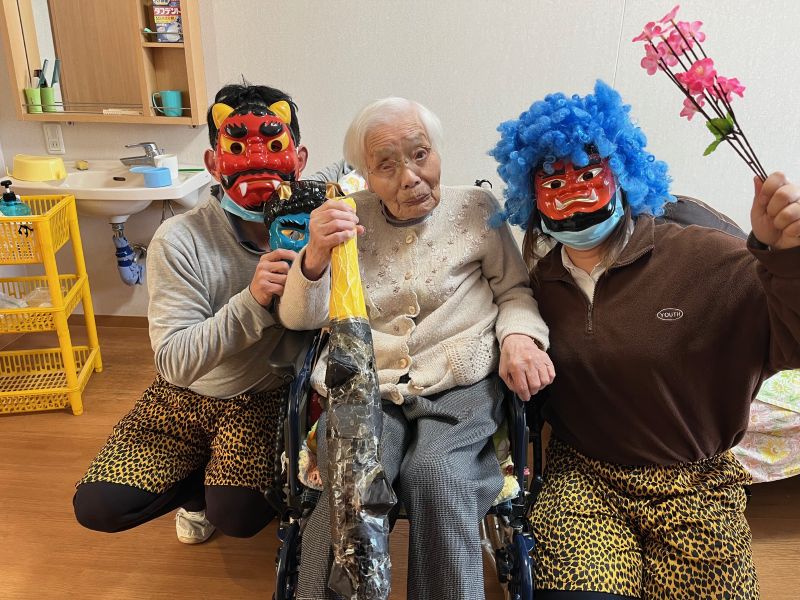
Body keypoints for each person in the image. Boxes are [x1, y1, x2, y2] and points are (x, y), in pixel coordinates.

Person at [490, 79, 800, 600]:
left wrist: (785, 258)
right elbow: (502, 307)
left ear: (625, 171)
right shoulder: (539, 281)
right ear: (531, 196)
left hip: (695, 486)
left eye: (590, 173)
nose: (574, 191)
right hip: (584, 481)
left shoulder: (706, 259)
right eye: (554, 181)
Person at [277, 97, 555, 600]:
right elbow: (300, 318)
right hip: (366, 386)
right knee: (355, 478)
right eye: (386, 165)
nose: (410, 177)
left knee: (437, 473)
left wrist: (519, 337)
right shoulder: (345, 218)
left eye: (420, 154)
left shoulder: (477, 208)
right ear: (365, 175)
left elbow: (515, 291)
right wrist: (314, 254)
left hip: (459, 380)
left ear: (437, 152)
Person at [73, 83, 334, 544]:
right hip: (184, 395)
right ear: (214, 163)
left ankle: (218, 495)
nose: (257, 159)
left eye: (274, 146)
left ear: (299, 158)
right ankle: (195, 496)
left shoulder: (311, 230)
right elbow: (173, 362)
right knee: (98, 505)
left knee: (238, 517)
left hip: (260, 396)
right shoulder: (179, 239)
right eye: (237, 148)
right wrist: (252, 301)